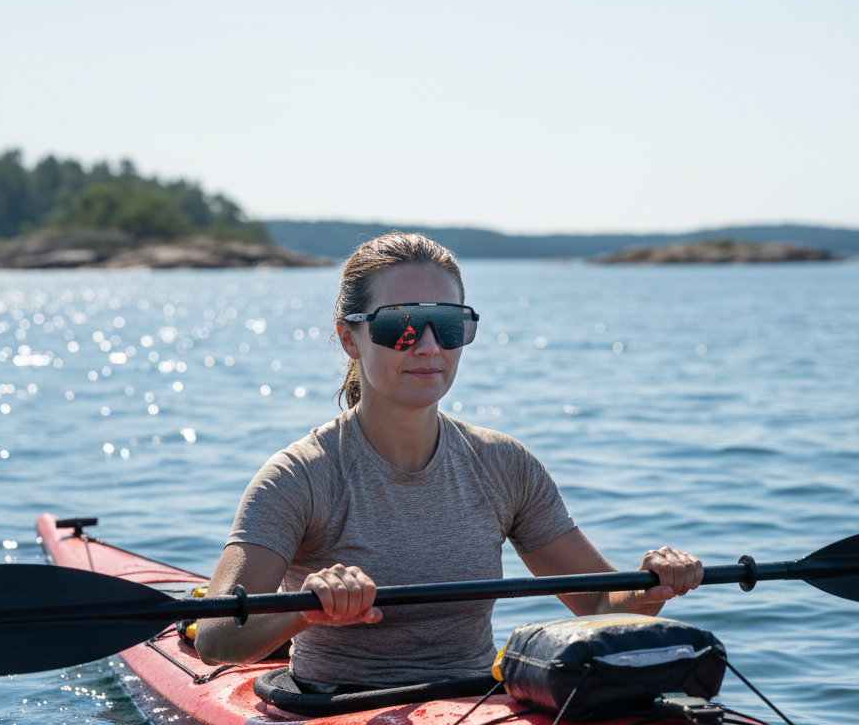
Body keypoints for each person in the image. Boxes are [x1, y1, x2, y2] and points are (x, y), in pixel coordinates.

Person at [195, 233, 702, 687]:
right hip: (337, 708)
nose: (430, 347)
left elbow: (596, 604)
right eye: (402, 327)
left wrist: (649, 588)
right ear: (350, 338)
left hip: (477, 703)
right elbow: (216, 638)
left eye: (450, 325)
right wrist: (307, 611)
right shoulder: (299, 477)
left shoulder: (505, 465)